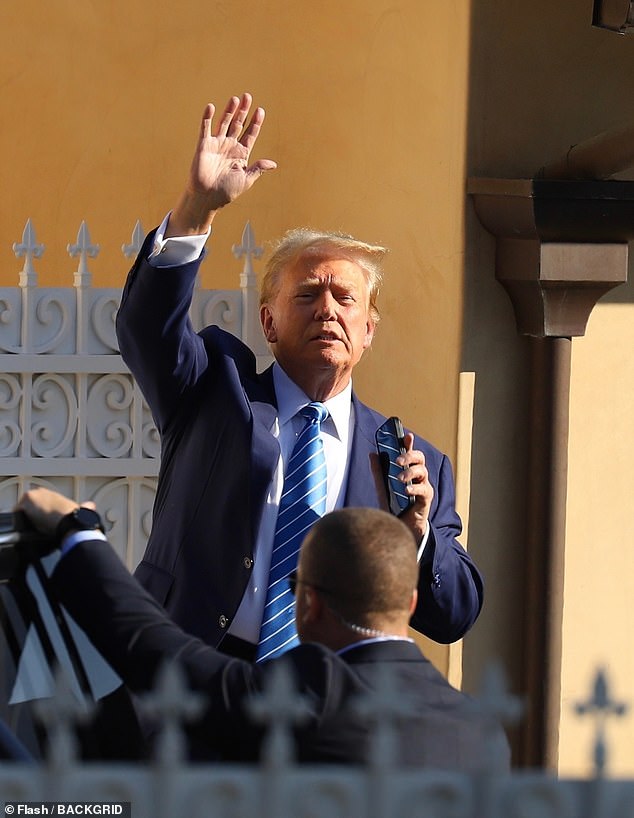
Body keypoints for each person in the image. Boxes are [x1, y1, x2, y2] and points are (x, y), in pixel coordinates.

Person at [115, 92, 483, 661]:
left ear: (368, 331)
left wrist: (418, 537)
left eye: (345, 298)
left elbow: (453, 614)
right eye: (307, 295)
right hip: (194, 684)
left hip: (324, 706)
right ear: (269, 320)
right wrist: (196, 209)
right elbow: (146, 329)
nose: (328, 310)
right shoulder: (217, 391)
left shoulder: (412, 464)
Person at [16, 487, 510, 770]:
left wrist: (78, 533)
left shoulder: (318, 693)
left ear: (307, 602)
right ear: (411, 602)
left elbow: (155, 650)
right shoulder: (482, 732)